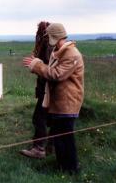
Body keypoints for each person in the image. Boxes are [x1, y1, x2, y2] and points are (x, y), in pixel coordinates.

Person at [22, 23, 84, 174]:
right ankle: (62, 166)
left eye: (48, 36)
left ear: (54, 36)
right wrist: (38, 65)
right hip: (60, 102)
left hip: (68, 102)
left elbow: (57, 74)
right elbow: (52, 70)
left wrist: (37, 65)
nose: (47, 39)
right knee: (59, 137)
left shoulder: (71, 54)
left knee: (66, 138)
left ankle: (72, 169)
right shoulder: (60, 51)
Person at [20, 21, 54, 159]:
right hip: (48, 89)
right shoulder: (50, 45)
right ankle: (51, 147)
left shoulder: (48, 45)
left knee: (38, 118)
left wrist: (35, 65)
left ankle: (39, 148)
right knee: (50, 118)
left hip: (48, 89)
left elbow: (49, 70)